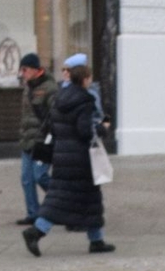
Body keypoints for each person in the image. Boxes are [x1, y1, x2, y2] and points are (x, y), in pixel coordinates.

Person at [23, 59, 115, 255]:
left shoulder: (61, 97)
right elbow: (84, 131)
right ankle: (36, 232)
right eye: (89, 78)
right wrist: (102, 128)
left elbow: (55, 126)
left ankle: (96, 239)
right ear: (85, 79)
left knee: (72, 199)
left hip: (62, 156)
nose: (90, 81)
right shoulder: (85, 100)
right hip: (80, 159)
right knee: (78, 199)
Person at [14, 52, 53, 225]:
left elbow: (54, 114)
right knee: (26, 179)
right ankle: (33, 214)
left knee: (40, 176)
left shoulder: (49, 87)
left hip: (43, 141)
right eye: (21, 70)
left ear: (36, 70)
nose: (22, 73)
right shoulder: (28, 87)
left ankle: (65, 201)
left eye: (25, 69)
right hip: (28, 140)